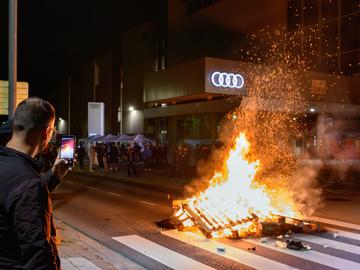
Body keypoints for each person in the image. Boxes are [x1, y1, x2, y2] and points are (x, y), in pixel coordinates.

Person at [0, 97, 70, 269]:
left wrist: (53, 176)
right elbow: (38, 257)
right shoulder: (30, 184)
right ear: (46, 133)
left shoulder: (12, 170)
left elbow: (11, 193)